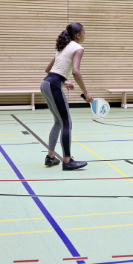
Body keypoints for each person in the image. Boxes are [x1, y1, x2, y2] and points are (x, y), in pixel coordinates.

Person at [40, 23, 92, 170]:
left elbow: (48, 69)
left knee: (58, 121)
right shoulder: (77, 48)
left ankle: (50, 157)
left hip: (46, 83)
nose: (85, 35)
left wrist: (63, 80)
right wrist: (86, 93)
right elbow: (76, 71)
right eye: (84, 32)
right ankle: (67, 160)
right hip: (53, 84)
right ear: (78, 35)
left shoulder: (63, 46)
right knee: (66, 122)